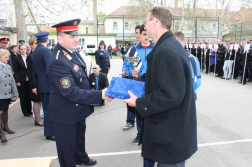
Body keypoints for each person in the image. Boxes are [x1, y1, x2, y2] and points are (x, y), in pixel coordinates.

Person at [123, 6, 197, 167]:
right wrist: (125, 85)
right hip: (171, 131)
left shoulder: (166, 50)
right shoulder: (167, 45)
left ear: (155, 22)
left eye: (146, 21)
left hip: (171, 135)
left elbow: (171, 95)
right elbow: (158, 79)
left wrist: (140, 103)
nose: (145, 26)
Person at [47, 19, 112, 167]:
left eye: (76, 35)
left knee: (78, 137)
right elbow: (70, 92)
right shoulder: (58, 60)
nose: (76, 38)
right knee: (67, 147)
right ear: (60, 39)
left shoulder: (71, 52)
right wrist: (100, 95)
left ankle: (81, 157)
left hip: (78, 107)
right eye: (71, 36)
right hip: (65, 111)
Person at [122, 24, 155, 145]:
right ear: (139, 35)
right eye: (144, 34)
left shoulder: (156, 48)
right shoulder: (132, 50)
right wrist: (130, 72)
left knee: (152, 109)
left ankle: (152, 134)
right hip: (136, 83)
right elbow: (125, 68)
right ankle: (140, 134)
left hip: (152, 83)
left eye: (148, 34)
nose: (146, 37)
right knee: (140, 109)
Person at [32, 32, 55, 140]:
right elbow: (51, 67)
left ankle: (49, 131)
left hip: (41, 83)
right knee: (49, 109)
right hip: (47, 84)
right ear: (47, 40)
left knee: (47, 108)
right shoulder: (45, 50)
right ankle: (50, 133)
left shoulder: (36, 50)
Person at [174, 31, 201, 101]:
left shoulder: (191, 59)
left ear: (182, 44)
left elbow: (196, 81)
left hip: (187, 98)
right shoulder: (174, 57)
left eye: (174, 42)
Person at [0, 49, 19, 143]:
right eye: (5, 57)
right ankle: (1, 133)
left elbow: (12, 81)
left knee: (5, 111)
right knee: (0, 113)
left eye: (8, 57)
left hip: (6, 93)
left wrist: (15, 93)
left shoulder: (7, 66)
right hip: (0, 94)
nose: (7, 59)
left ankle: (6, 127)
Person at [13, 45, 33, 117]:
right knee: (23, 96)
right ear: (19, 50)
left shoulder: (29, 57)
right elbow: (16, 70)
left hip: (29, 79)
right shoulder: (17, 58)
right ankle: (25, 111)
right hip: (21, 79)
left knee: (29, 95)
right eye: (22, 49)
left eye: (24, 49)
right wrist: (17, 81)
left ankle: (29, 109)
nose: (23, 50)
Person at [28, 36, 43, 126]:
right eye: (35, 44)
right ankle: (37, 119)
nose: (37, 45)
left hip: (39, 82)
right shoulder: (30, 56)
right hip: (35, 83)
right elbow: (30, 72)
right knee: (36, 101)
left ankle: (38, 118)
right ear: (31, 45)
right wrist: (33, 86)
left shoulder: (36, 54)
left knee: (39, 101)